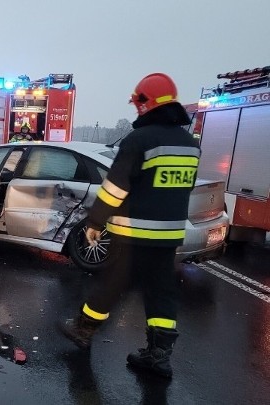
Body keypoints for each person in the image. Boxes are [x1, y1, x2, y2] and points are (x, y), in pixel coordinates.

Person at [60, 73, 200, 378]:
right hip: (169, 236)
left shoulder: (140, 140)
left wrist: (95, 222)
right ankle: (158, 355)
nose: (137, 108)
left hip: (134, 233)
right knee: (162, 293)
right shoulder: (190, 144)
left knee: (112, 285)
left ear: (145, 102)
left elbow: (115, 188)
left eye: (138, 102)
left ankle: (83, 330)